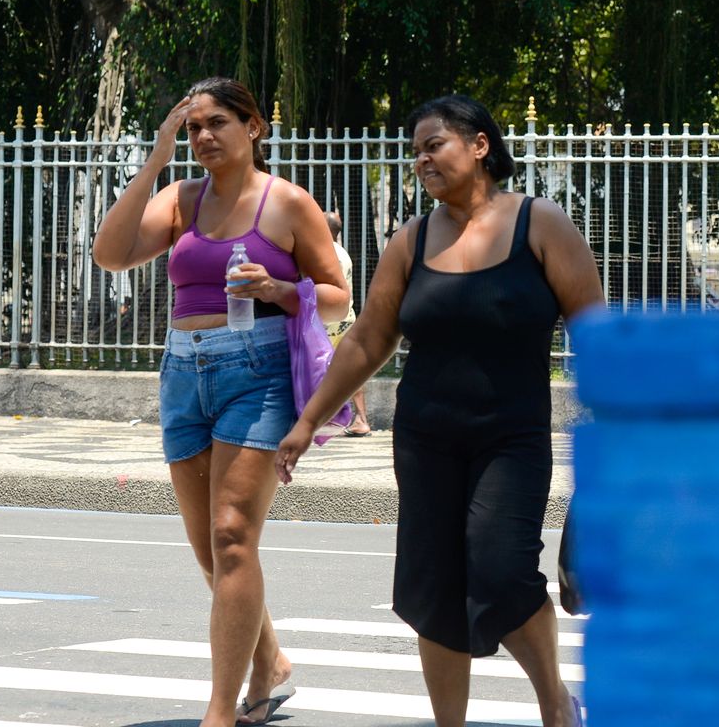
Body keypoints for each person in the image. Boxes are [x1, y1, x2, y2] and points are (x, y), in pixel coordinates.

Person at [276, 94, 603, 727]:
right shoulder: (412, 240)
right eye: (416, 151)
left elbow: (597, 334)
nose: (421, 159)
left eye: (435, 145)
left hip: (512, 438)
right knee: (432, 590)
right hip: (426, 439)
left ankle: (555, 703)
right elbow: (369, 338)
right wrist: (309, 418)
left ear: (480, 145)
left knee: (502, 569)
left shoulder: (541, 226)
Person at [92, 77, 348, 727]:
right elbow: (110, 254)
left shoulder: (288, 204)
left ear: (254, 127)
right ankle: (270, 662)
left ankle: (220, 712)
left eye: (217, 124)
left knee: (234, 534)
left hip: (258, 370)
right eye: (194, 126)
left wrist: (280, 289)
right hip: (184, 371)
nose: (203, 137)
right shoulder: (180, 198)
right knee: (211, 548)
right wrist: (155, 158)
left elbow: (339, 295)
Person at [322, 210, 372, 436]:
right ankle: (361, 419)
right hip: (345, 318)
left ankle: (318, 420)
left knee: (313, 368)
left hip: (326, 322)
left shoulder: (324, 254)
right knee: (350, 371)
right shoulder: (342, 253)